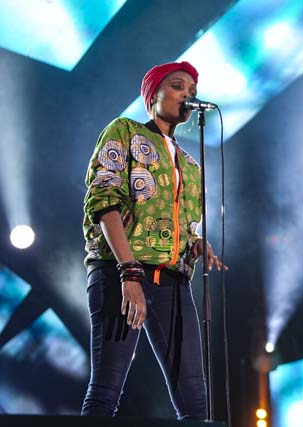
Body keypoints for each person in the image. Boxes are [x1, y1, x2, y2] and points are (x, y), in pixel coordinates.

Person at [81, 61, 224, 419]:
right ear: (152, 95)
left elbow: (180, 222)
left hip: (173, 283)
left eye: (191, 91)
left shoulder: (192, 165)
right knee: (105, 390)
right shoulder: (125, 132)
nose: (187, 96)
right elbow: (104, 200)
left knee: (196, 402)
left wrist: (194, 243)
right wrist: (129, 272)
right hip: (121, 271)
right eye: (177, 86)